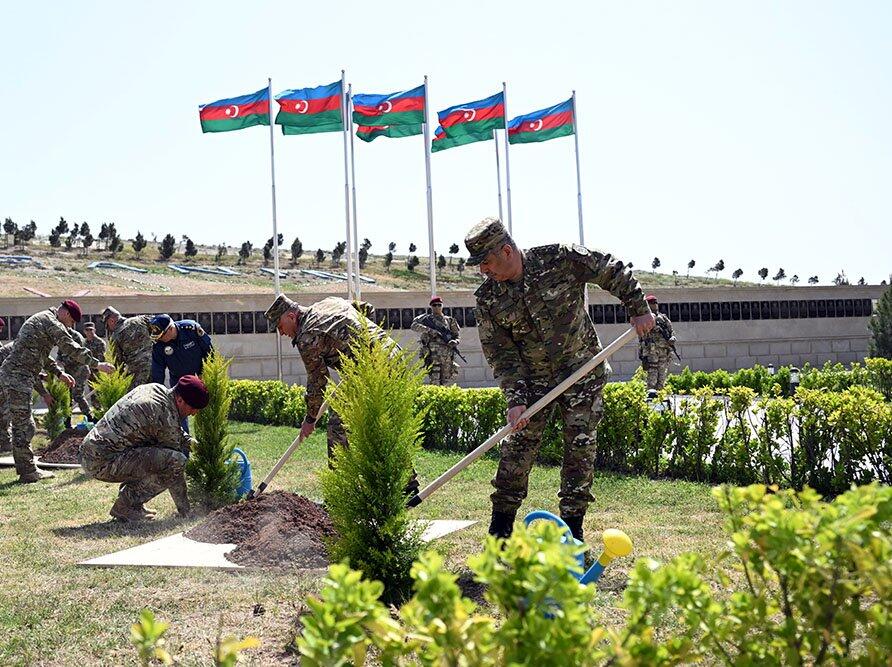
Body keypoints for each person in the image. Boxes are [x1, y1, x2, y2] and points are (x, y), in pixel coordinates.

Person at [464, 217, 655, 542]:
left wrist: (637, 307)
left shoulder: (560, 259)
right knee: (517, 450)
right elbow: (501, 353)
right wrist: (516, 398)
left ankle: (573, 530)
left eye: (486, 262)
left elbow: (610, 269)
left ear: (507, 251)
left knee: (580, 448)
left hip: (582, 370)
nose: (483, 270)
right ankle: (500, 532)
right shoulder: (488, 299)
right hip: (534, 383)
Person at [264, 294, 420, 495]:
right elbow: (367, 308)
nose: (281, 333)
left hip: (369, 368)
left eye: (279, 326)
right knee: (380, 420)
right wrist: (364, 344)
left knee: (338, 427)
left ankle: (343, 492)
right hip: (392, 356)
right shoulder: (330, 302)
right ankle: (407, 482)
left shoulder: (307, 337)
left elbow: (318, 381)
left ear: (292, 316)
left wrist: (310, 419)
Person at [0, 300, 114, 482]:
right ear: (67, 315)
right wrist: (97, 364)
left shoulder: (42, 320)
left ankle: (27, 469)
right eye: (70, 323)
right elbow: (70, 346)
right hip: (17, 376)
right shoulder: (50, 322)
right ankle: (28, 472)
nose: (69, 327)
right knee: (24, 425)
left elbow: (42, 356)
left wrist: (59, 374)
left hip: (16, 375)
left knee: (22, 424)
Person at [80, 375, 209, 522]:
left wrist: (191, 443)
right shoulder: (163, 414)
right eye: (193, 408)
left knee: (156, 454)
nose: (194, 413)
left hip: (93, 452)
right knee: (175, 461)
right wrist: (185, 510)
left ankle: (132, 503)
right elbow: (174, 464)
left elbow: (172, 429)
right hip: (101, 462)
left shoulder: (156, 389)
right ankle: (126, 506)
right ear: (180, 400)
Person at [0, 342, 54, 454]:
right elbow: (30, 373)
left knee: (5, 414)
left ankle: (6, 443)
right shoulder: (30, 349)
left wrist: (41, 376)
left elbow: (25, 370)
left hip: (7, 378)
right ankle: (10, 444)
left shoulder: (26, 345)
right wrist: (44, 394)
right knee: (7, 414)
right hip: (5, 381)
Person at [149, 314, 213, 387]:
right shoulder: (158, 344)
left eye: (161, 336)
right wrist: (158, 390)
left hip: (201, 378)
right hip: (178, 382)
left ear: (171, 329)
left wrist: (207, 375)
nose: (159, 339)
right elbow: (158, 370)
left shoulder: (191, 330)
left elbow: (209, 352)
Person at [411, 296, 462, 385]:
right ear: (431, 306)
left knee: (446, 382)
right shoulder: (426, 319)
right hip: (432, 355)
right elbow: (414, 326)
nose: (437, 307)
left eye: (439, 305)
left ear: (442, 306)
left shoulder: (449, 320)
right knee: (434, 382)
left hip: (446, 356)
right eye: (435, 305)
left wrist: (455, 341)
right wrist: (429, 330)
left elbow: (457, 335)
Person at [102, 306, 152, 389]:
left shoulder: (116, 335)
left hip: (137, 372)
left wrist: (116, 380)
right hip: (155, 366)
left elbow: (118, 363)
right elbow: (158, 325)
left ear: (111, 320)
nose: (108, 329)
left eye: (107, 325)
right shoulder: (140, 319)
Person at [638, 295, 677, 395]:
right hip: (651, 351)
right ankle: (651, 397)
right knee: (652, 374)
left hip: (664, 351)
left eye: (656, 303)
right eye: (652, 303)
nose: (655, 305)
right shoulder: (645, 319)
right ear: (648, 305)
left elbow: (671, 331)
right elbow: (641, 336)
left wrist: (672, 338)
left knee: (662, 375)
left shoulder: (663, 318)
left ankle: (660, 397)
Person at [56, 326, 93, 424]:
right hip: (69, 371)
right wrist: (58, 361)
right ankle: (67, 420)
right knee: (67, 396)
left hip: (80, 371)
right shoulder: (62, 337)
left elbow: (79, 355)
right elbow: (60, 353)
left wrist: (64, 362)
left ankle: (90, 417)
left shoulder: (76, 336)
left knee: (77, 395)